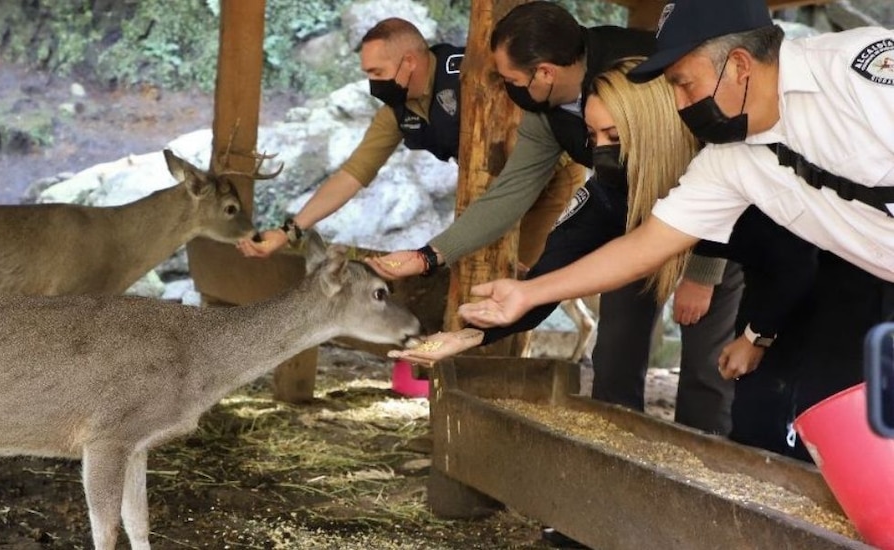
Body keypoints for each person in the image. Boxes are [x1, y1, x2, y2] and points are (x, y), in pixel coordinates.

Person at [455, 0, 894, 460]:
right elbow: (645, 246)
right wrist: (529, 294)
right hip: (862, 279)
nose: (680, 106)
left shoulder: (858, 71)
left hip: (819, 284)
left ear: (738, 65)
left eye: (684, 84)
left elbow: (789, 264)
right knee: (832, 432)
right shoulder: (728, 160)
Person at [391, 58, 817, 440]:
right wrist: (469, 335)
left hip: (821, 272)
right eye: (594, 136)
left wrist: (756, 334)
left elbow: (793, 261)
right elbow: (547, 279)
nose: (603, 150)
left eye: (615, 134)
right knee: (617, 355)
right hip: (763, 270)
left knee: (761, 413)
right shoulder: (608, 193)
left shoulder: (722, 172)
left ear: (655, 127)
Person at [369, 2, 741, 435]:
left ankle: (705, 471)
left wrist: (703, 270)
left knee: (707, 368)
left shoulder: (648, 74)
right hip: (628, 213)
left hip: (720, 228)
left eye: (509, 79)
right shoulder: (552, 117)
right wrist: (444, 280)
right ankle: (620, 461)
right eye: (590, 134)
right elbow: (522, 205)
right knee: (615, 355)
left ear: (545, 73)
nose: (505, 89)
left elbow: (725, 166)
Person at [235, 17, 583, 266]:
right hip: (489, 194)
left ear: (409, 62)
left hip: (548, 178)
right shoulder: (396, 111)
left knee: (523, 268)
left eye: (377, 73)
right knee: (477, 265)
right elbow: (352, 174)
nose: (373, 84)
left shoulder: (475, 76)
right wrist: (289, 231)